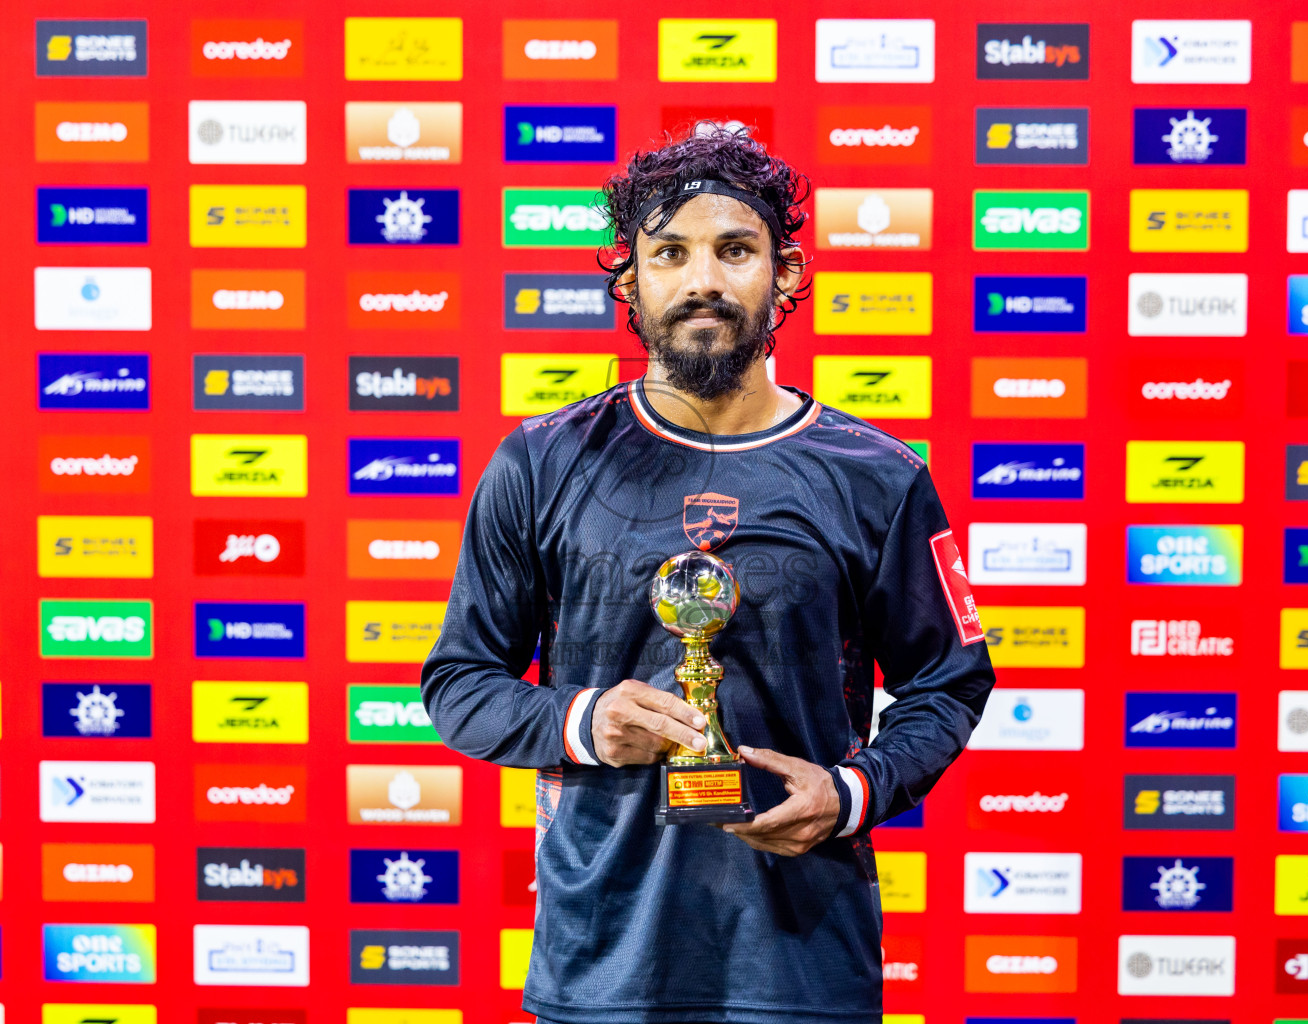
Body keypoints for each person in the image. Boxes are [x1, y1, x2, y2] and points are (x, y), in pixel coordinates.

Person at [421, 128, 995, 1024]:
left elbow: (950, 682)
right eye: (669, 253)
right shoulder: (540, 462)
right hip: (601, 960)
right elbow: (460, 683)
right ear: (629, 281)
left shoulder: (881, 475)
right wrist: (583, 721)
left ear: (788, 271)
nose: (703, 281)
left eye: (735, 250)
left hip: (804, 960)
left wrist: (854, 792)